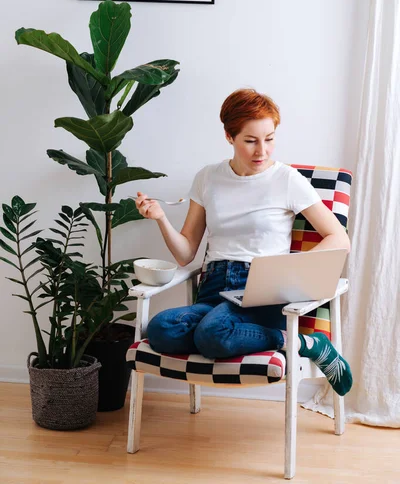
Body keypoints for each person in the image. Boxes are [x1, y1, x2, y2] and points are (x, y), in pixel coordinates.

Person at [135, 89, 352, 396]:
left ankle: (308, 343)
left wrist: (289, 270)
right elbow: (185, 254)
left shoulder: (287, 180)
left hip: (262, 290)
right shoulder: (208, 177)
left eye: (270, 138)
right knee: (161, 329)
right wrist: (160, 218)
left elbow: (339, 238)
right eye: (250, 140)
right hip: (213, 286)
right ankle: (296, 341)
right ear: (229, 136)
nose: (262, 150)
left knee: (213, 335)